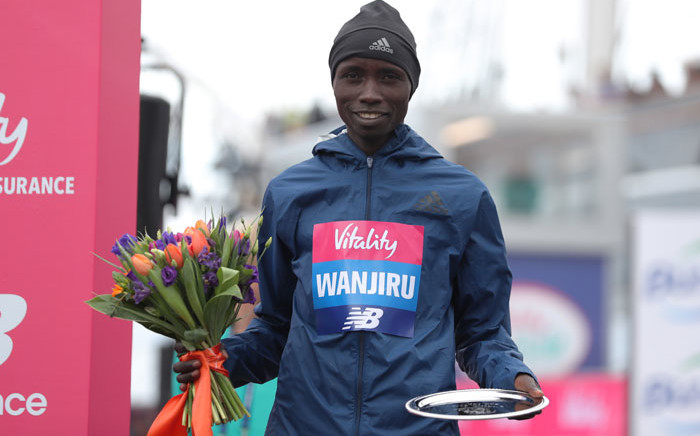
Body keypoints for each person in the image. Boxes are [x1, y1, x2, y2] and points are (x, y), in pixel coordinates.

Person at [175, 1, 543, 434]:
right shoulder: (290, 193)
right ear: (334, 82)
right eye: (352, 75)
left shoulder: (463, 197)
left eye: (388, 76)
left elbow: (482, 333)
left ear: (411, 86)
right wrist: (218, 361)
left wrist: (513, 378)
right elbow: (275, 329)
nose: (369, 92)